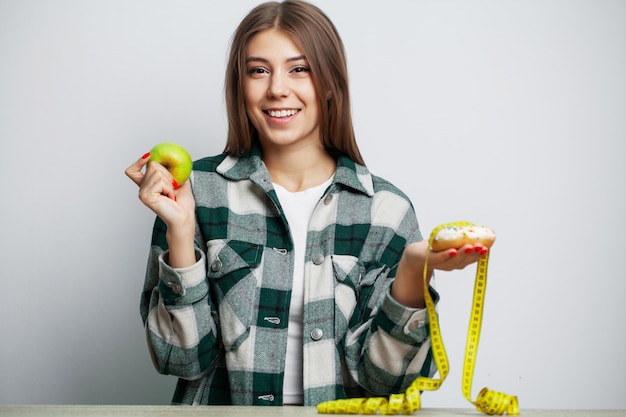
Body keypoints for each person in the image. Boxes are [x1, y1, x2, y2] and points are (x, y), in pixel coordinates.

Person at [125, 0, 488, 407]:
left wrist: (412, 271)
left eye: (299, 69)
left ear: (330, 83)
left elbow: (389, 383)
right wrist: (181, 229)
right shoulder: (196, 192)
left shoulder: (386, 211)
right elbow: (181, 359)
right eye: (258, 70)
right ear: (239, 85)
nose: (278, 87)